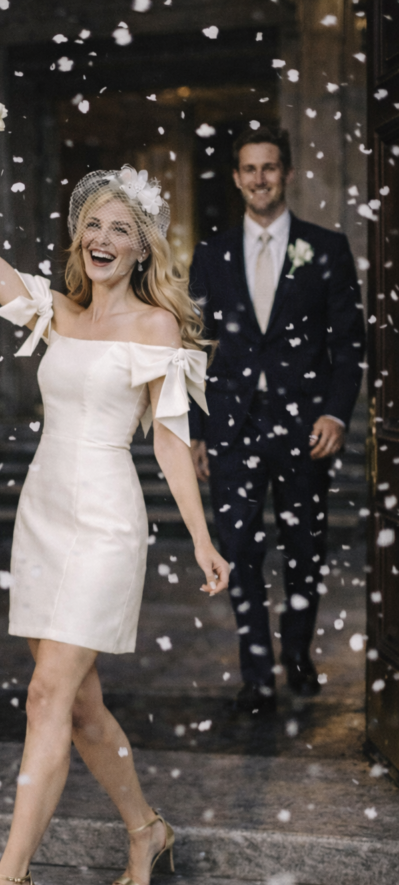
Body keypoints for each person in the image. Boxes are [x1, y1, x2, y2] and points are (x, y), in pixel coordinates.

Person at [0, 115, 230, 885]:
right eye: (92, 224)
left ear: (140, 248)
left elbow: (166, 439)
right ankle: (147, 829)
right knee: (78, 702)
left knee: (48, 695)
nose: (102, 237)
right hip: (42, 513)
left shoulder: (156, 330)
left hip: (107, 522)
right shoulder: (51, 309)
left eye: (120, 229)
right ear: (77, 238)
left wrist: (198, 536)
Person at [189, 124, 365, 715]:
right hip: (233, 427)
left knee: (304, 548)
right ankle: (257, 672)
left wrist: (337, 413)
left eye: (269, 167)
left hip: (303, 427)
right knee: (239, 551)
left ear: (286, 173)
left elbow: (349, 343)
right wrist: (195, 430)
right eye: (249, 169)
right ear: (237, 178)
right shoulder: (211, 254)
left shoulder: (326, 248)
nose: (259, 178)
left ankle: (297, 656)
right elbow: (194, 349)